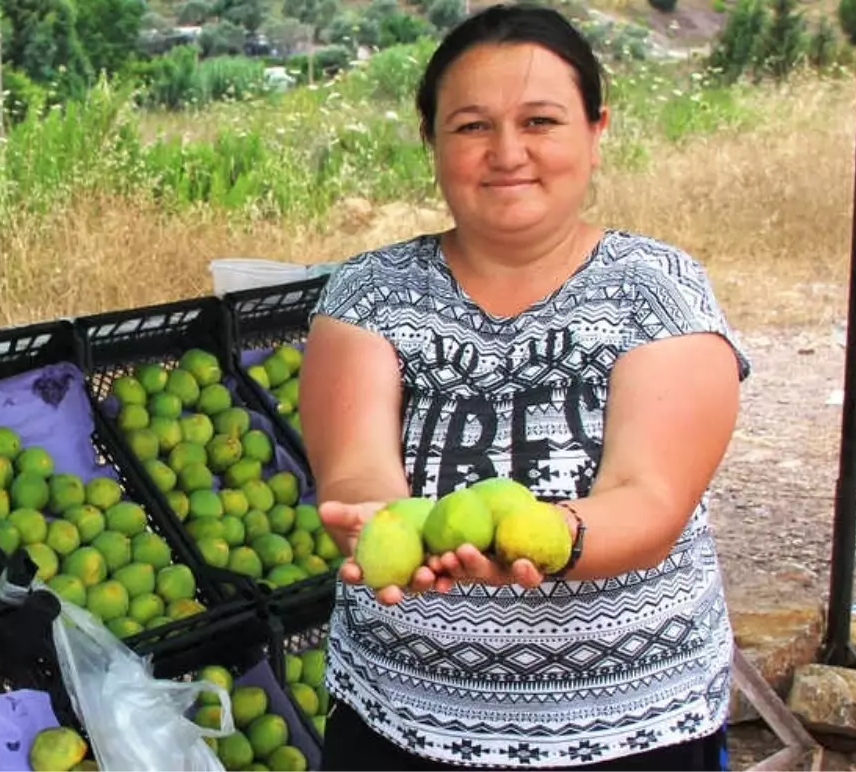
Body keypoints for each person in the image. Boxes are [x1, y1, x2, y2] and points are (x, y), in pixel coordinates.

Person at [296, 4, 751, 770]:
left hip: (627, 727)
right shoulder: (366, 293)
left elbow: (650, 497)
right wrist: (381, 527)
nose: (507, 152)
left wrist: (553, 542)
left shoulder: (656, 289)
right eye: (472, 126)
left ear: (596, 131)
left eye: (539, 121)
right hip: (402, 726)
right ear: (431, 142)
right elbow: (359, 472)